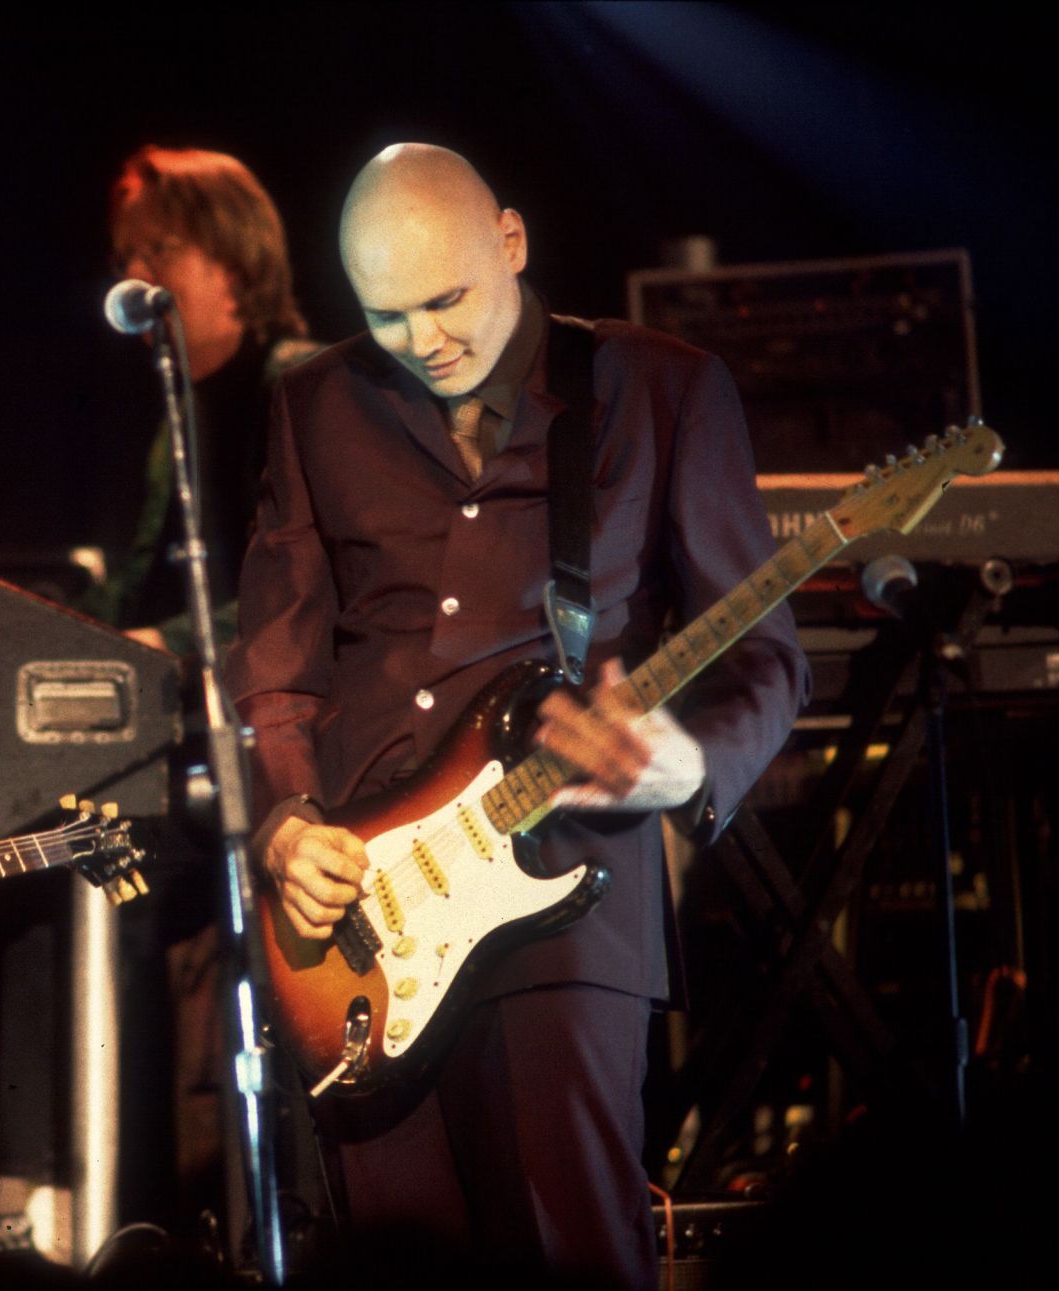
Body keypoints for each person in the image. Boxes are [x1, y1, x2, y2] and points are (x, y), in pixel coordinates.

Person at [226, 144, 808, 1287]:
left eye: (447, 300)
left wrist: (679, 766)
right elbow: (277, 666)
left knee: (570, 1248)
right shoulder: (314, 402)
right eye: (388, 317)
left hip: (568, 883)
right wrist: (286, 823)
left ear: (511, 241)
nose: (426, 340)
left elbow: (765, 664)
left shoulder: (660, 387)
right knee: (398, 1259)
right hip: (364, 920)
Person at [86, 145, 319, 653]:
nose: (134, 277)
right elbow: (139, 587)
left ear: (233, 262)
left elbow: (317, 590)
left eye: (159, 251)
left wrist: (165, 644)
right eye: (125, 257)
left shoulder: (304, 388)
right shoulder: (181, 411)